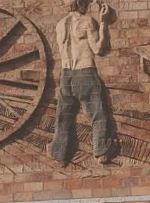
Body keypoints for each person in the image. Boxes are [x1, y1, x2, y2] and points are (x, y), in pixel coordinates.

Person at [51, 0, 119, 166]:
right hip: (85, 72)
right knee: (98, 115)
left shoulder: (60, 25)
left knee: (64, 116)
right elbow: (98, 49)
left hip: (66, 75)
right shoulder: (87, 21)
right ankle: (101, 151)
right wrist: (103, 22)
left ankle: (60, 155)